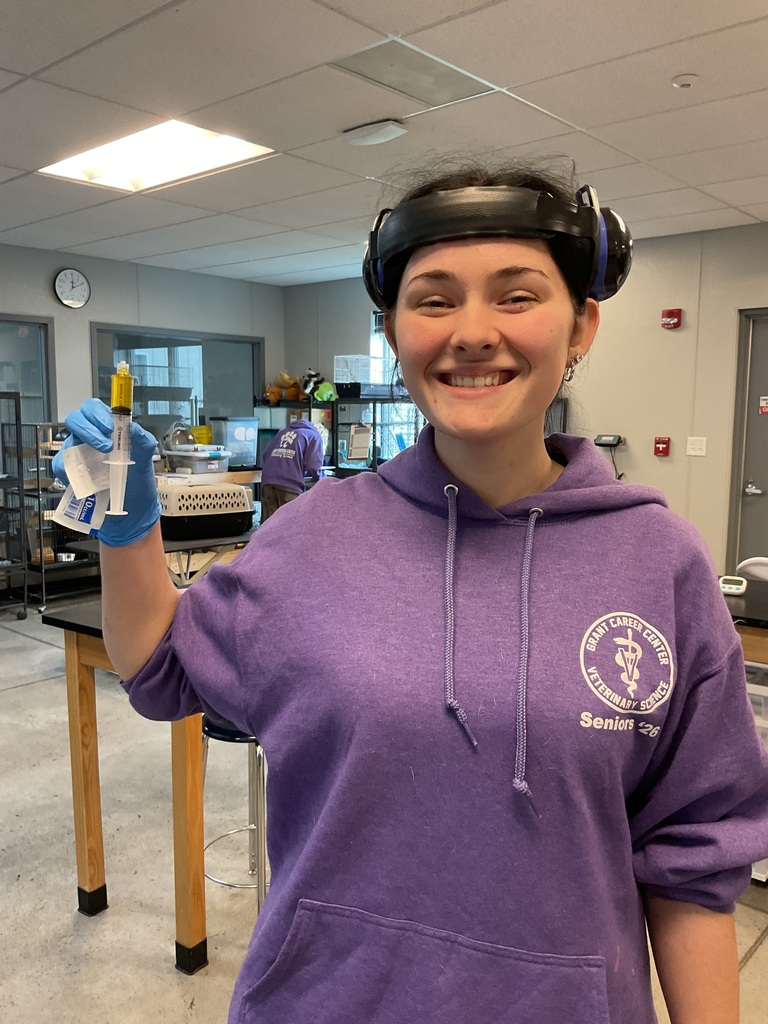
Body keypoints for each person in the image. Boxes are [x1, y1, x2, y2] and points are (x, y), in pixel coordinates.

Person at [53, 162, 768, 1024]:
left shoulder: (660, 565)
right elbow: (157, 667)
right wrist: (128, 536)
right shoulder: (311, 538)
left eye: (516, 296)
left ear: (582, 324)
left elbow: (692, 867)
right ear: (393, 331)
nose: (472, 332)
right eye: (433, 299)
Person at [259, 417, 325, 523]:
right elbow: (314, 466)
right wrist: (324, 479)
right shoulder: (315, 437)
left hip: (268, 482)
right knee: (291, 527)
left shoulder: (282, 432)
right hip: (289, 486)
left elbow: (265, 454)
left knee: (268, 528)